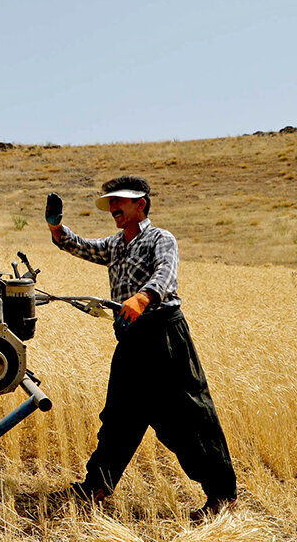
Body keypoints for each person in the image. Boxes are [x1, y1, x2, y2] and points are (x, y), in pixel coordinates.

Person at [44, 176, 237, 520]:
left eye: (119, 202)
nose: (113, 209)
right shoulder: (117, 245)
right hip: (131, 337)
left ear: (140, 205)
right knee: (120, 415)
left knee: (191, 416)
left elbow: (166, 273)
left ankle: (222, 495)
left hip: (164, 334)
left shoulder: (161, 239)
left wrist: (142, 296)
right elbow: (80, 246)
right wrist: (57, 228)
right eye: (110, 203)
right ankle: (96, 486)